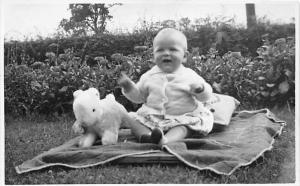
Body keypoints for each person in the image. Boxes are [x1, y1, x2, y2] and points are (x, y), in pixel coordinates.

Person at [118, 28, 214, 145]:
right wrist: (129, 88)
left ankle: (166, 140)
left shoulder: (189, 75)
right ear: (153, 56)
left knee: (184, 128)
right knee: (131, 118)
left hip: (182, 117)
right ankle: (147, 137)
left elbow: (206, 96)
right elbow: (139, 97)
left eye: (173, 49)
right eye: (160, 50)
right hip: (153, 119)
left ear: (184, 56)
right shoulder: (148, 76)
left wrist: (200, 89)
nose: (166, 53)